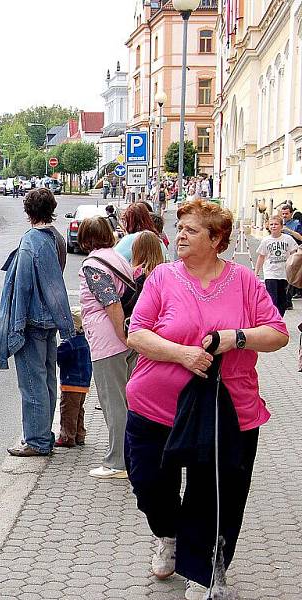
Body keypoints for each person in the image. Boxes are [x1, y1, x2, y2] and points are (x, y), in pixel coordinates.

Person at [124, 200, 288, 599]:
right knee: (149, 484)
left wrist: (236, 338)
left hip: (225, 409)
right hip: (155, 407)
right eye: (179, 228)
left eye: (191, 230)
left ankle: (203, 572)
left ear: (217, 240)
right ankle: (168, 534)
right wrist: (182, 353)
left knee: (215, 494)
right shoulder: (162, 277)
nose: (179, 235)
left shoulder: (246, 281)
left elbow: (278, 333)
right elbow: (136, 333)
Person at [0, 188, 74, 457]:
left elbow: (23, 289)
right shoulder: (57, 237)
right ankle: (43, 436)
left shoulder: (31, 242)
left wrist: (15, 328)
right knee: (48, 379)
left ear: (28, 212)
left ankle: (37, 441)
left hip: (31, 322)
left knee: (31, 384)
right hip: (48, 321)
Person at [77, 216, 136, 479]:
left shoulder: (93, 264)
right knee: (126, 400)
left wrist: (122, 336)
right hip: (123, 334)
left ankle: (117, 462)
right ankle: (130, 457)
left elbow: (110, 302)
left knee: (113, 403)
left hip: (108, 339)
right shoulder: (117, 257)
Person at [55, 311, 92, 448]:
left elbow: (57, 356)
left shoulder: (70, 343)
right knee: (78, 409)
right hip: (84, 383)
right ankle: (79, 434)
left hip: (71, 382)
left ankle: (67, 437)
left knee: (68, 411)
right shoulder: (85, 340)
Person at [255, 215, 296, 317]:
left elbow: (293, 254)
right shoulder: (266, 240)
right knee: (272, 299)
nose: (273, 226)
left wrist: (293, 269)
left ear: (281, 226)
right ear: (268, 226)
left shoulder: (288, 239)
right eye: (271, 224)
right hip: (270, 273)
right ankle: (273, 319)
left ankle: (279, 318)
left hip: (284, 273)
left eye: (276, 224)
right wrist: (256, 272)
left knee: (283, 300)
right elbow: (261, 256)